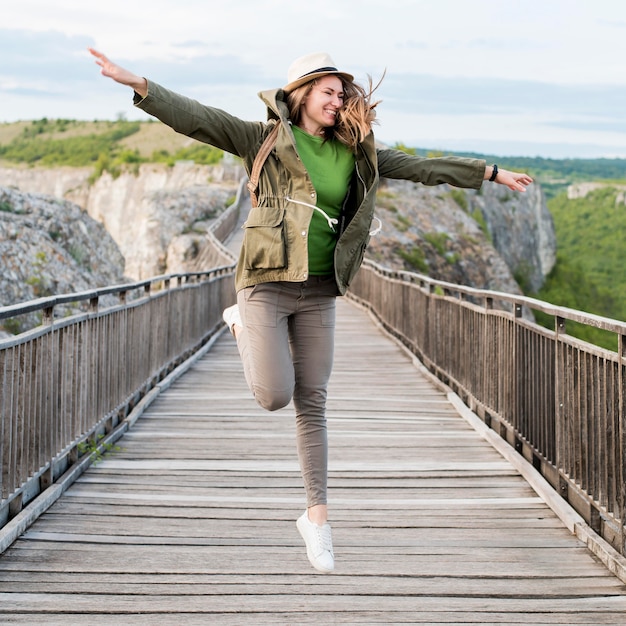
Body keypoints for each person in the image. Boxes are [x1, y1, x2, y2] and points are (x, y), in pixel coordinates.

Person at [89, 47, 533, 574]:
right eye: (329, 92)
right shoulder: (265, 139)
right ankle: (239, 321)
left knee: (313, 401)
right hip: (265, 283)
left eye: (342, 93)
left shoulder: (357, 151)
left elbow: (421, 168)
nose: (338, 100)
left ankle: (317, 521)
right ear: (302, 94)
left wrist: (489, 171)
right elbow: (198, 120)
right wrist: (137, 83)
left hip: (321, 289)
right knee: (274, 396)